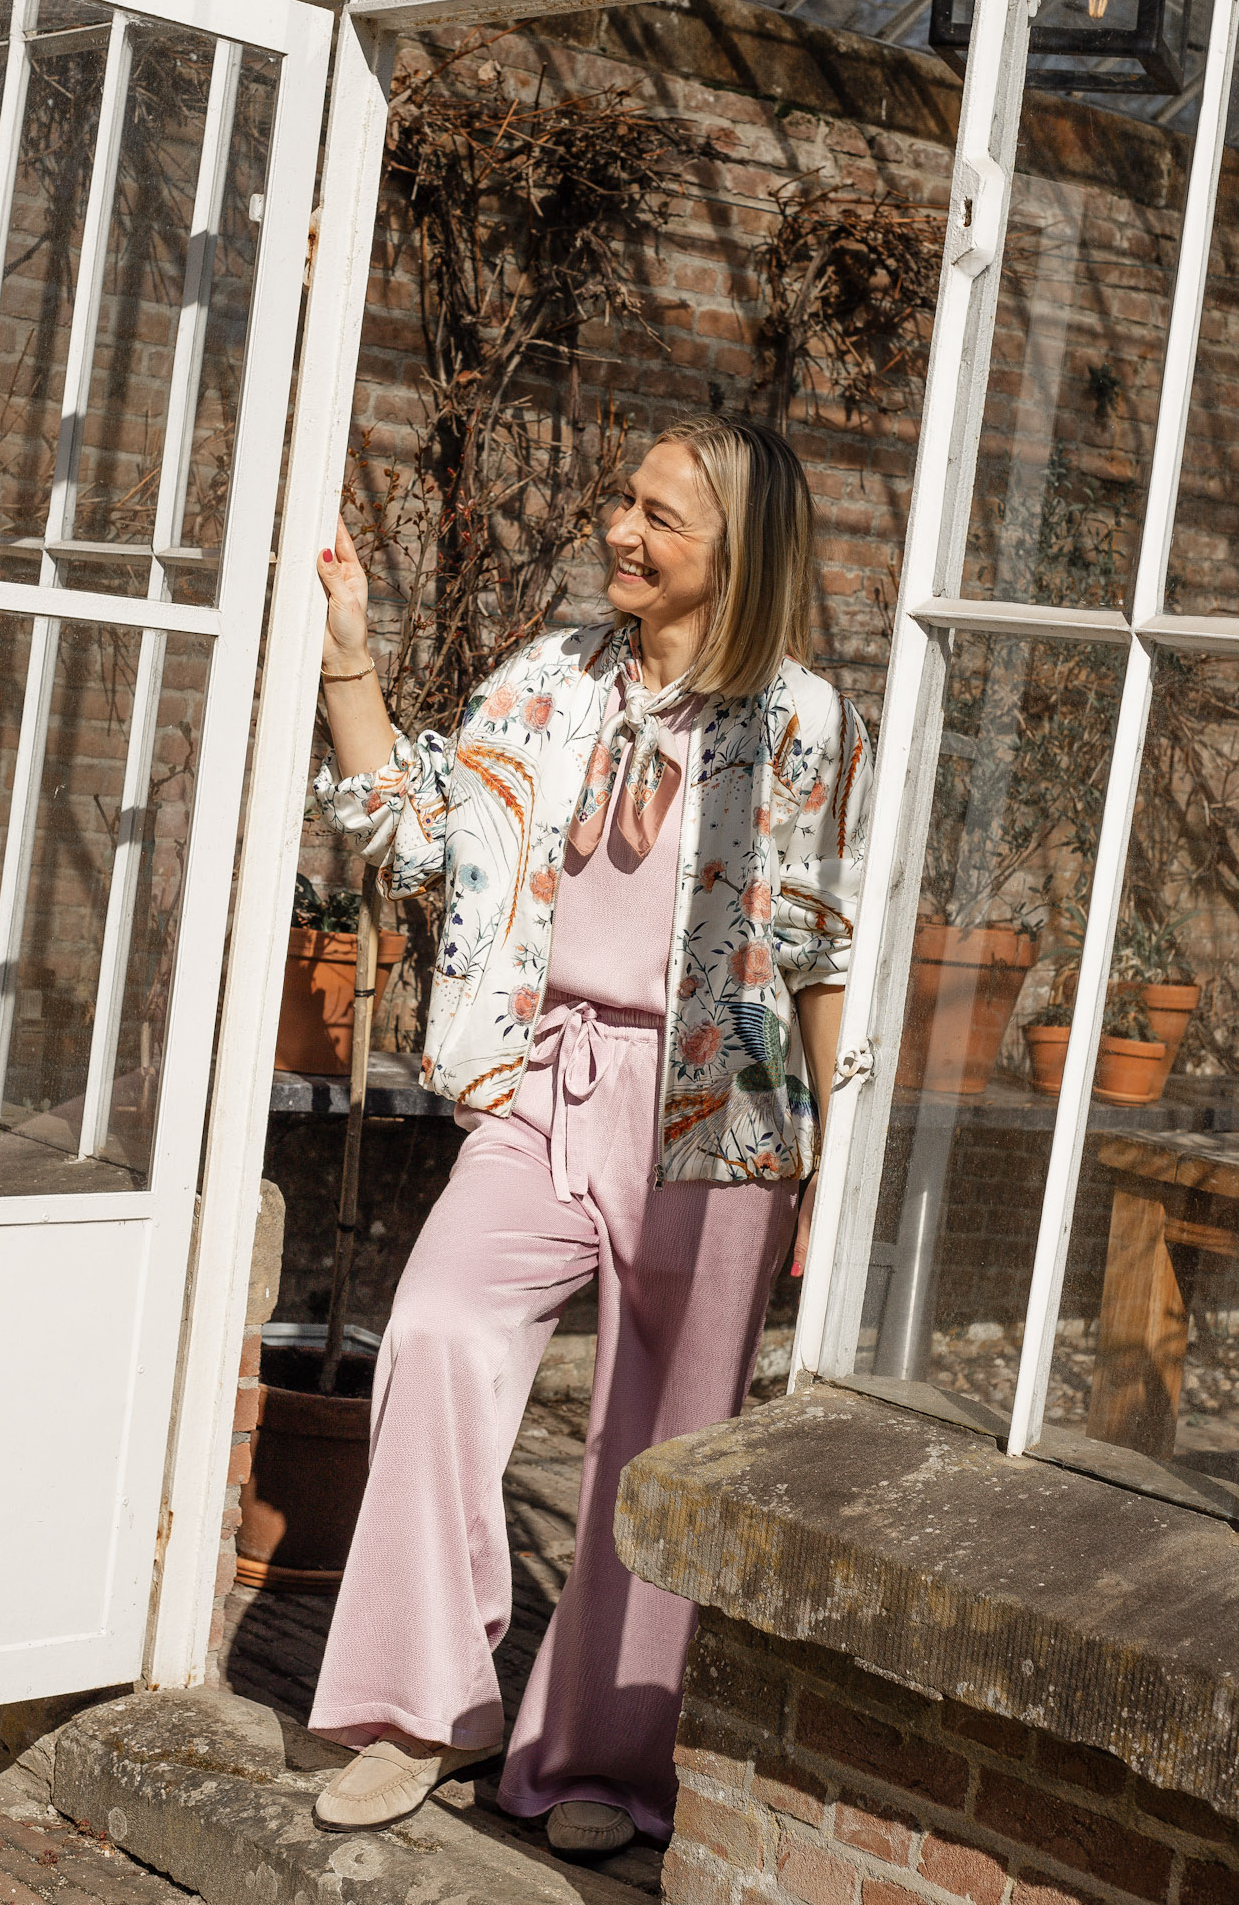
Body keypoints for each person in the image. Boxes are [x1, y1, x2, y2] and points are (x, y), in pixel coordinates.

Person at [305, 414, 873, 1860]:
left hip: (718, 1115)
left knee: (661, 1436)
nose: (619, 528)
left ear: (738, 555)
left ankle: (601, 1758)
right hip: (545, 1079)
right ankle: (421, 1708)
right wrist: (349, 661)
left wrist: (830, 1160)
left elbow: (817, 943)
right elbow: (415, 830)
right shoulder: (548, 678)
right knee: (437, 1331)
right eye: (624, 500)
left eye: (659, 517)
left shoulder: (798, 721)